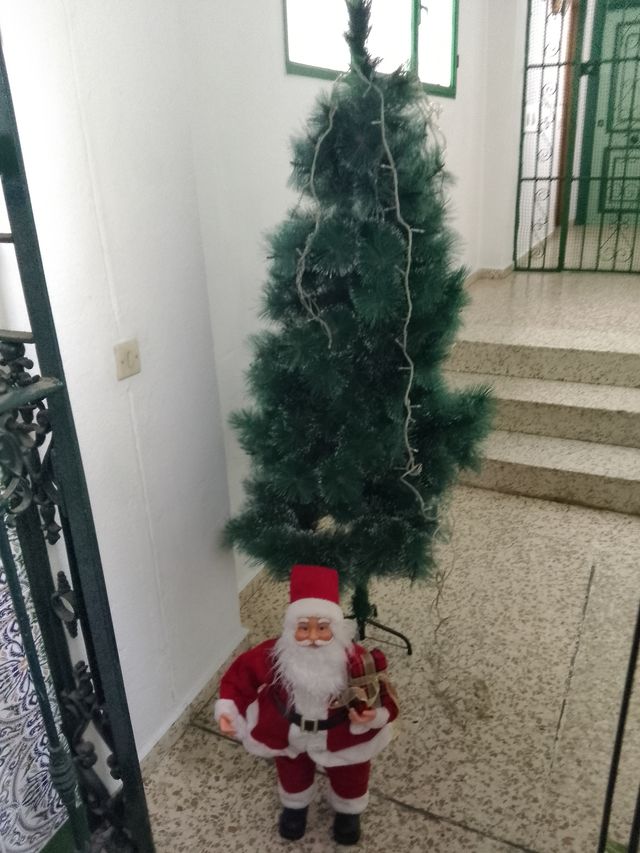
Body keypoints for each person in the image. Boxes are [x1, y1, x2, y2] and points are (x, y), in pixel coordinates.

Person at [214, 563, 399, 845]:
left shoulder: (355, 658)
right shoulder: (273, 655)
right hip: (288, 730)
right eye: (304, 628)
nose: (313, 637)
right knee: (291, 770)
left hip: (341, 732)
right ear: (291, 628)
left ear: (335, 630)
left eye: (322, 628)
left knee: (352, 770)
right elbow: (240, 678)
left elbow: (383, 690)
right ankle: (295, 805)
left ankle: (349, 810)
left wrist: (376, 714)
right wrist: (229, 709)